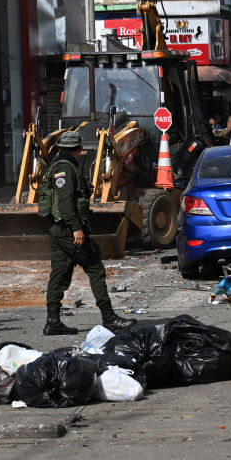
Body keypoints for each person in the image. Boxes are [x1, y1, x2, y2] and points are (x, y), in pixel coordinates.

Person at [39, 131, 135, 336]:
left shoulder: (59, 165)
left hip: (58, 231)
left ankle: (53, 322)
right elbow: (65, 204)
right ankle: (109, 318)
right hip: (67, 231)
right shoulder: (65, 168)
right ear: (78, 149)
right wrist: (76, 228)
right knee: (95, 269)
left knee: (59, 275)